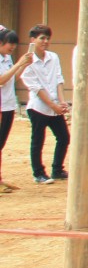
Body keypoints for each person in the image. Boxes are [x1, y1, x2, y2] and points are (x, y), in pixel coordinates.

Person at [21, 24, 69, 184]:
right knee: (38, 140)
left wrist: (62, 102)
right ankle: (38, 173)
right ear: (33, 40)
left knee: (64, 137)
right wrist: (53, 105)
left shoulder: (53, 57)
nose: (45, 41)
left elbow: (58, 79)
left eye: (48, 38)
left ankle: (57, 169)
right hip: (38, 108)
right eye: (42, 38)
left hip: (54, 106)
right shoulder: (27, 62)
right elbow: (37, 89)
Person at [0, 27, 34, 192]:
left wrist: (23, 65)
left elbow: (12, 78)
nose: (12, 47)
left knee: (1, 143)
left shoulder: (6, 58)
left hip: (7, 105)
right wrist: (19, 63)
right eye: (9, 44)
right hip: (1, 106)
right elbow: (1, 80)